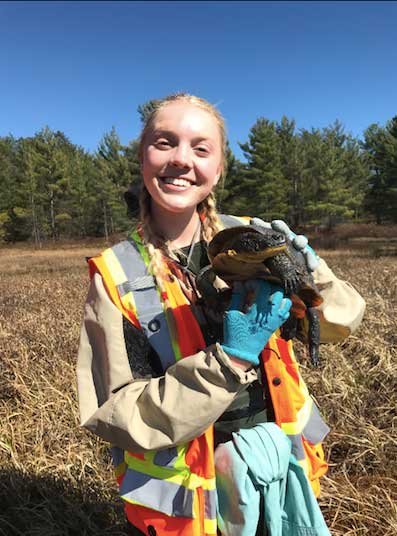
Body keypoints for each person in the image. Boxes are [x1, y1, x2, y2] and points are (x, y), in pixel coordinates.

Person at [76, 93, 365, 536]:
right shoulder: (116, 275)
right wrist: (227, 361)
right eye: (164, 142)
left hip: (279, 470)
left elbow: (336, 324)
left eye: (200, 147)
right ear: (141, 156)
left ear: (219, 166)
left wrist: (313, 273)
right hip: (188, 504)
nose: (181, 160)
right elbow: (118, 414)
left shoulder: (255, 237)